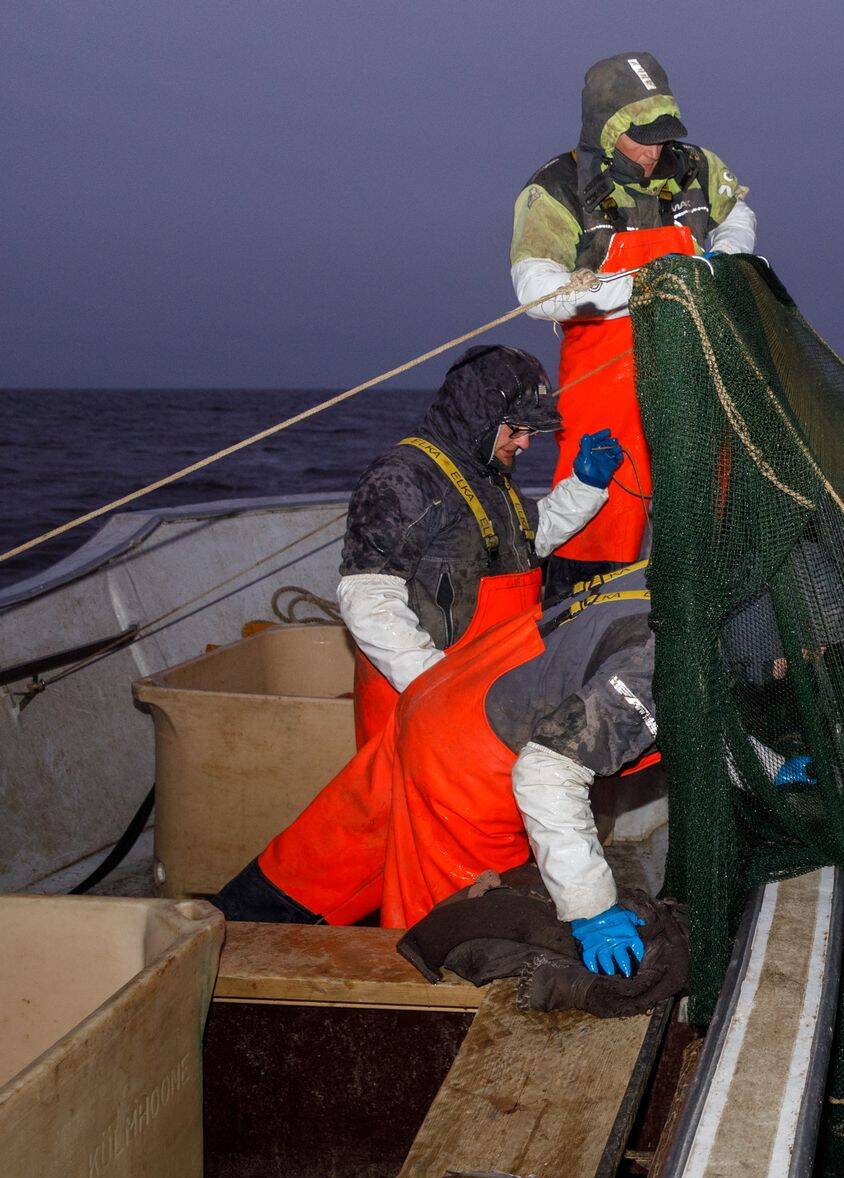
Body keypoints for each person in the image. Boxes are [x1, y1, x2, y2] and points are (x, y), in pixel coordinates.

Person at [213, 563, 662, 976]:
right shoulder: (661, 657)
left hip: (444, 693)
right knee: (450, 940)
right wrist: (592, 909)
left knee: (320, 862)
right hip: (475, 765)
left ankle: (202, 936)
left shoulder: (669, 574)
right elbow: (547, 775)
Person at [509, 51, 757, 599]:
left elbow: (736, 211)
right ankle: (584, 626)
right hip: (604, 383)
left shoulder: (694, 166)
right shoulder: (554, 187)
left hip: (692, 374)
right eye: (638, 137)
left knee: (705, 504)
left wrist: (729, 257)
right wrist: (644, 286)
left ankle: (703, 622)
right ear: (606, 129)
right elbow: (534, 291)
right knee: (601, 517)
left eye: (659, 135)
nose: (651, 151)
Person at [338, 344, 624, 743]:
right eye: (517, 429)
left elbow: (526, 542)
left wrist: (586, 486)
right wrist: (438, 688)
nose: (525, 443)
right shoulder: (400, 479)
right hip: (419, 709)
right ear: (479, 415)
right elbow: (365, 597)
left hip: (486, 692)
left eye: (531, 432)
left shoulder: (486, 475)